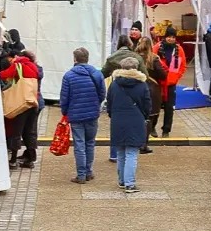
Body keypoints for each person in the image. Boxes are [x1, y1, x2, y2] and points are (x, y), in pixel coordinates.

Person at [59, 47, 105, 184]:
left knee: (79, 144)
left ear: (75, 59)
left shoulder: (69, 76)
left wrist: (65, 112)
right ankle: (89, 171)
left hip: (76, 114)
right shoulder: (96, 74)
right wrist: (96, 104)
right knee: (90, 143)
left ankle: (81, 175)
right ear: (88, 58)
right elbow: (102, 93)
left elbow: (64, 97)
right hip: (92, 114)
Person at [106, 56, 150, 193]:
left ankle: (121, 181)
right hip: (135, 120)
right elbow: (147, 105)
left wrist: (113, 115)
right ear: (136, 68)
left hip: (118, 120)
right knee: (131, 152)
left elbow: (109, 103)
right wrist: (144, 116)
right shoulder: (142, 85)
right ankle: (130, 183)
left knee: (120, 152)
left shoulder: (114, 84)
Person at [0, 48, 41, 168]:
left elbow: (4, 75)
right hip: (33, 103)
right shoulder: (33, 66)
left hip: (22, 104)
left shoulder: (19, 65)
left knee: (16, 132)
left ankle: (13, 161)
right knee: (30, 132)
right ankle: (31, 159)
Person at [157, 27, 187, 137]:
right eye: (169, 37)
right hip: (158, 84)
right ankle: (152, 129)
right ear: (165, 37)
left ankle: (166, 130)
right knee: (155, 107)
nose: (171, 39)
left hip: (171, 84)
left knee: (169, 108)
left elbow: (183, 66)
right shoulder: (157, 48)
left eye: (173, 37)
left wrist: (176, 77)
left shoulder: (179, 50)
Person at [136, 37, 163, 147]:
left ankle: (139, 135)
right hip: (152, 87)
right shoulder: (154, 58)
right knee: (152, 113)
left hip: (137, 86)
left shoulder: (134, 57)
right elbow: (162, 74)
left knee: (139, 112)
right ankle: (149, 133)